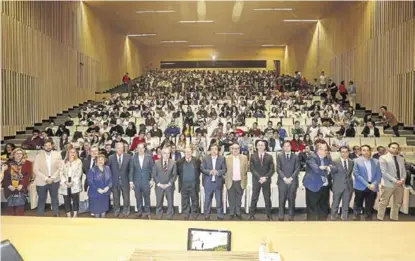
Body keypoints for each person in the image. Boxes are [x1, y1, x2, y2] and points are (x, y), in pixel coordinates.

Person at [303, 142, 333, 221]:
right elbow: (316, 170)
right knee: (312, 210)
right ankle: (311, 229)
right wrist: (328, 169)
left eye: (327, 150)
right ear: (318, 150)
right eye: (325, 150)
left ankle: (322, 228)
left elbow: (335, 168)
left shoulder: (328, 157)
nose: (326, 151)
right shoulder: (311, 157)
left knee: (324, 208)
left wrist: (326, 168)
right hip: (313, 186)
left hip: (325, 186)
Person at [377, 142, 407, 221]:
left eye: (396, 148)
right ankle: (380, 218)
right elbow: (384, 172)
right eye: (393, 147)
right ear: (388, 148)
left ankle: (394, 218)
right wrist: (395, 180)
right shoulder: (383, 158)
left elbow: (404, 171)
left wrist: (402, 179)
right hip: (388, 184)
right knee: (384, 202)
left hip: (400, 184)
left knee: (397, 203)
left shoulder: (401, 158)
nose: (395, 149)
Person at [33, 139, 62, 216]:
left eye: (49, 145)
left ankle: (56, 214)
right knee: (41, 199)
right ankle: (40, 215)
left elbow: (60, 168)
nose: (48, 147)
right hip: (42, 181)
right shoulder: (38, 156)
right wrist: (46, 178)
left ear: (52, 145)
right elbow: (36, 169)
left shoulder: (57, 154)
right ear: (43, 147)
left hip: (54, 180)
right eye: (46, 146)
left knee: (54, 198)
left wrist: (52, 178)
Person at [352, 145, 382, 221]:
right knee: (358, 203)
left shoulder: (376, 161)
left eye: (367, 150)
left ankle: (368, 219)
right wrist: (367, 184)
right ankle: (356, 217)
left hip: (373, 186)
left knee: (370, 204)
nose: (366, 152)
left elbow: (378, 175)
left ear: (370, 151)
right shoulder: (356, 161)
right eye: (364, 150)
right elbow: (356, 174)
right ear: (361, 151)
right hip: (360, 185)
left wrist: (374, 184)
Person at [1, 148, 32, 216]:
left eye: (20, 153)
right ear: (13, 155)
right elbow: (5, 177)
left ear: (23, 155)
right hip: (9, 188)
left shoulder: (28, 163)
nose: (19, 155)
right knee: (10, 209)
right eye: (17, 153)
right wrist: (9, 185)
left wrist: (21, 185)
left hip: (21, 188)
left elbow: (28, 176)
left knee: (20, 208)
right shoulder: (8, 164)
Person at [249, 141, 274, 221]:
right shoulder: (252, 156)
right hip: (256, 180)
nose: (260, 146)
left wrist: (265, 177)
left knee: (267, 198)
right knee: (254, 198)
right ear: (256, 146)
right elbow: (252, 169)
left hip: (266, 181)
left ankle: (269, 215)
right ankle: (251, 215)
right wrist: (259, 177)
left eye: (262, 145)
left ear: (265, 146)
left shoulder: (269, 157)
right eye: (259, 145)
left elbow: (272, 169)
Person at [201, 144, 227, 220]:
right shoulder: (206, 158)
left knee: (219, 200)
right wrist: (210, 172)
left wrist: (217, 172)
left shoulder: (222, 158)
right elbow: (202, 169)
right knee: (207, 200)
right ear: (210, 150)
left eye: (215, 149)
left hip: (218, 183)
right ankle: (206, 215)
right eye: (212, 149)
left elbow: (225, 169)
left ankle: (220, 215)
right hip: (208, 183)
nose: (214, 151)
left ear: (218, 151)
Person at [276, 141, 301, 221]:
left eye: (288, 146)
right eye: (285, 146)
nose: (286, 148)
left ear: (291, 147)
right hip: (282, 181)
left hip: (292, 181)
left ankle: (291, 215)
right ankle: (281, 215)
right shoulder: (279, 156)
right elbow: (278, 169)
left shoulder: (296, 156)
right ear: (283, 147)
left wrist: (290, 178)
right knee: (281, 199)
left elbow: (297, 169)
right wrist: (284, 178)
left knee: (291, 199)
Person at [129, 143, 154, 219]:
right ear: (136, 149)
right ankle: (139, 212)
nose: (140, 149)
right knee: (138, 197)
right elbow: (131, 170)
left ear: (144, 149)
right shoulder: (133, 158)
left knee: (147, 197)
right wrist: (131, 181)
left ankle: (147, 212)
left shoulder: (149, 157)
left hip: (146, 181)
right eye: (138, 148)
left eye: (141, 148)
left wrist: (152, 179)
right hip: (136, 182)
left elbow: (152, 169)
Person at [176, 147, 201, 220]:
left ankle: (194, 214)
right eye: (186, 152)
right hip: (184, 185)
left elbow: (198, 172)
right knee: (184, 200)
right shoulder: (179, 162)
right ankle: (185, 214)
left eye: (189, 152)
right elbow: (178, 173)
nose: (188, 153)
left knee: (195, 200)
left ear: (192, 152)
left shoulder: (197, 161)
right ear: (184, 153)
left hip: (194, 184)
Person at [107, 142, 132, 218]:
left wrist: (130, 181)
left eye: (122, 148)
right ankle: (116, 210)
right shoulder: (111, 157)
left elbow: (130, 170)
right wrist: (110, 182)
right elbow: (108, 170)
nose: (120, 149)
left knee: (126, 197)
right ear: (115, 149)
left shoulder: (129, 157)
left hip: (125, 181)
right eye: (118, 148)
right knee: (116, 197)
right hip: (115, 181)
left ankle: (126, 210)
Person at [152, 147, 177, 219]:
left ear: (170, 154)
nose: (166, 155)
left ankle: (169, 216)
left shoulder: (173, 163)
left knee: (170, 202)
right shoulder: (156, 162)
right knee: (159, 201)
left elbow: (174, 175)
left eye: (168, 153)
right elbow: (154, 174)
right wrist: (159, 184)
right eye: (165, 153)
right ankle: (158, 215)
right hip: (159, 186)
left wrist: (169, 184)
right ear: (162, 154)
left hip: (169, 186)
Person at [225, 143, 248, 220]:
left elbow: (246, 168)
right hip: (230, 181)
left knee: (239, 198)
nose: (235, 150)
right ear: (231, 149)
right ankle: (231, 213)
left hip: (240, 181)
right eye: (233, 148)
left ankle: (238, 213)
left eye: (237, 148)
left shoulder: (244, 157)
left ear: (239, 149)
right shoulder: (227, 158)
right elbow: (224, 169)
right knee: (231, 198)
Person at [330, 146, 354, 221]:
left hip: (348, 186)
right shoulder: (334, 161)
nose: (344, 153)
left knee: (346, 203)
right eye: (342, 152)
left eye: (346, 152)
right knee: (335, 203)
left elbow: (349, 174)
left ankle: (344, 218)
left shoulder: (351, 162)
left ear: (348, 152)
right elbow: (331, 174)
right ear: (340, 152)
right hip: (337, 185)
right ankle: (333, 217)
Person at [59, 148, 83, 218]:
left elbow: (79, 172)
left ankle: (75, 215)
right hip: (65, 182)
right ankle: (68, 215)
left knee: (75, 199)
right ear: (68, 153)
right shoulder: (63, 162)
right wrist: (65, 181)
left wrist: (73, 181)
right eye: (70, 152)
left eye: (74, 152)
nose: (72, 154)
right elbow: (60, 172)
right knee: (66, 200)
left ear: (76, 153)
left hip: (74, 182)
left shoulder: (78, 161)